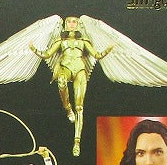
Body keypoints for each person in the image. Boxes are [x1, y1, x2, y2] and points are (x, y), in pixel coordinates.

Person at [29, 16, 113, 157]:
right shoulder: (60, 40)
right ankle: (67, 108)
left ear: (78, 24)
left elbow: (97, 55)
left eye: (74, 22)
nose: (72, 24)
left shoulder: (84, 40)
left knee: (79, 107)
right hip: (65, 67)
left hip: (80, 70)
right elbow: (47, 54)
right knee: (61, 81)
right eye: (69, 21)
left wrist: (108, 50)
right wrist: (34, 49)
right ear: (65, 24)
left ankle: (77, 142)